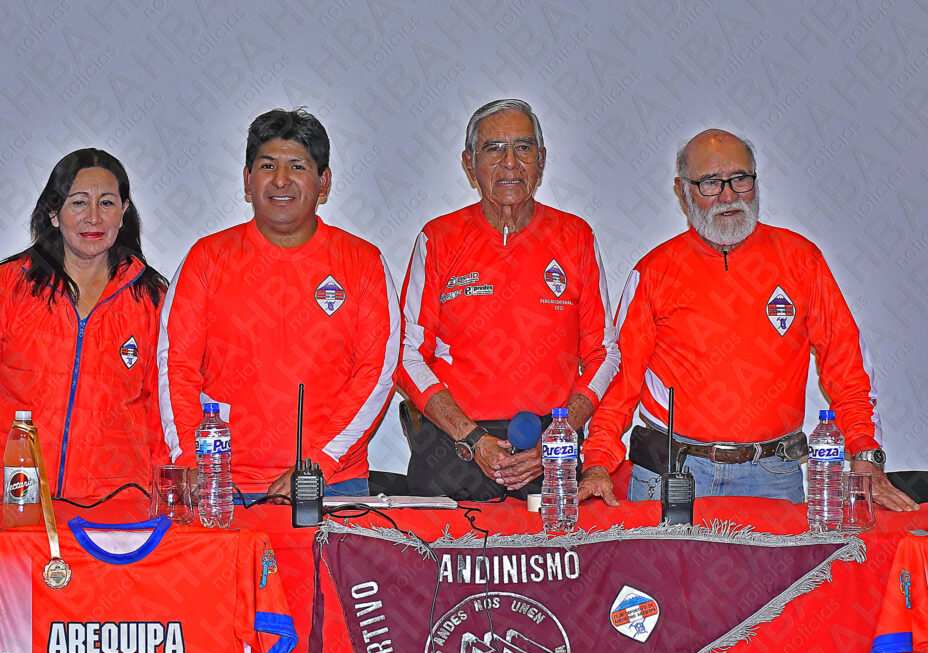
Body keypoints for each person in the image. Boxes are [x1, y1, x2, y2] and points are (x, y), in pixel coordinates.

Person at [577, 129, 917, 512]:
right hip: (672, 477)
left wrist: (866, 455)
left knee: (796, 577)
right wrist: (596, 463)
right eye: (710, 182)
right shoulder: (654, 271)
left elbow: (848, 370)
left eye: (741, 179)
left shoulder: (802, 261)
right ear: (682, 190)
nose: (728, 195)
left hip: (773, 478)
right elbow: (620, 383)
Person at [158, 108, 398, 500]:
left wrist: (318, 463)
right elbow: (175, 368)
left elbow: (377, 373)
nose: (281, 180)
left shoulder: (363, 262)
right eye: (267, 165)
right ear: (247, 180)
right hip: (222, 487)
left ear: (324, 183)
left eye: (298, 167)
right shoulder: (206, 258)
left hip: (332, 484)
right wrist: (190, 462)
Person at [397, 99, 620, 501]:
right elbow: (405, 355)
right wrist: (472, 437)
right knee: (442, 564)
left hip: (548, 451)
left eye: (523, 147)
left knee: (552, 563)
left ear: (542, 160)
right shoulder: (438, 239)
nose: (511, 163)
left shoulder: (576, 237)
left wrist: (560, 435)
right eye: (494, 149)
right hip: (455, 448)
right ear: (470, 165)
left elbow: (605, 353)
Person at [0, 148, 169, 500]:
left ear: (123, 213)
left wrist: (166, 493)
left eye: (106, 203)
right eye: (78, 203)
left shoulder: (152, 300)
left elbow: (162, 414)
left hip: (117, 507)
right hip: (14, 500)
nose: (93, 218)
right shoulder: (8, 287)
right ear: (53, 213)